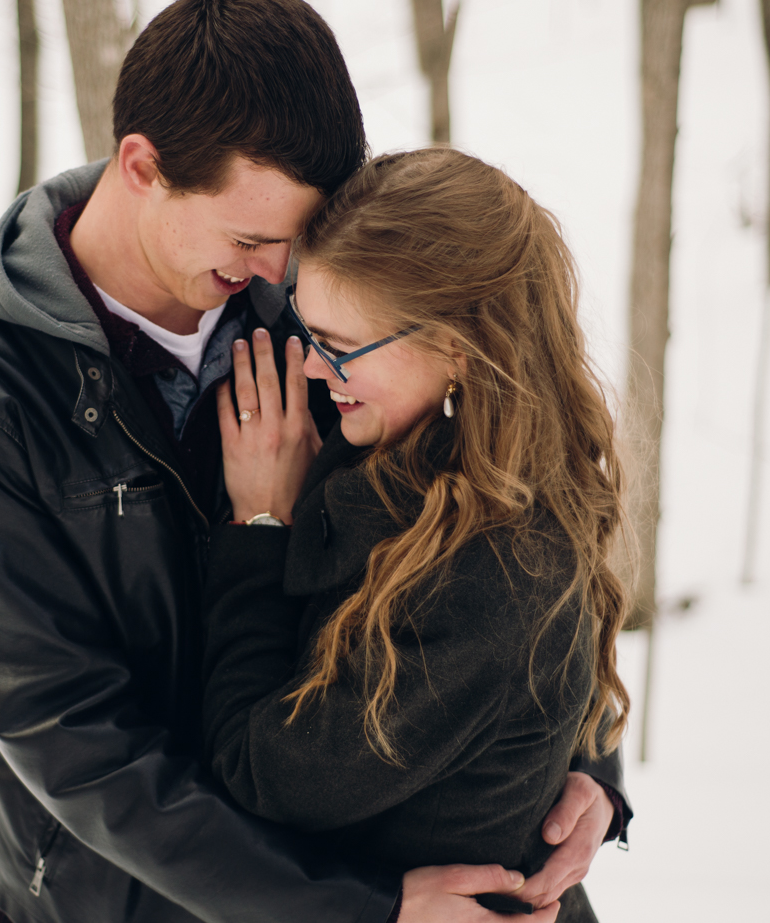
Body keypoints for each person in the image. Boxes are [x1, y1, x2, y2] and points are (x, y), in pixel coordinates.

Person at [0, 0, 629, 923]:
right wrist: (357, 911)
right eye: (252, 239)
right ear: (141, 165)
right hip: (130, 900)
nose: (279, 275)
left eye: (297, 240)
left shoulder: (323, 303)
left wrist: (586, 756)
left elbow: (504, 493)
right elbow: (79, 743)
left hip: (372, 835)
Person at [204, 148, 630, 922]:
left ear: (460, 347)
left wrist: (260, 528)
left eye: (339, 345)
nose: (312, 368)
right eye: (309, 330)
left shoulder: (494, 573)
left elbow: (263, 771)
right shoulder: (441, 446)